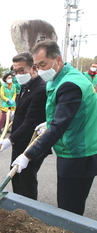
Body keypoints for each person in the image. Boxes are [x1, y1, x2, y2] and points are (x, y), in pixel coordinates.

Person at [12, 40, 97, 215]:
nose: (40, 69)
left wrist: (28, 155)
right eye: (37, 65)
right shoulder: (58, 78)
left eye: (43, 64)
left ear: (58, 59)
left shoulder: (70, 84)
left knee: (69, 208)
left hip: (79, 153)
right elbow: (61, 115)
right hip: (71, 148)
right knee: (67, 203)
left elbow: (59, 126)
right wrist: (47, 123)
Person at [0, 52, 47, 200]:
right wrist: (15, 115)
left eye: (22, 70)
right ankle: (18, 206)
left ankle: (28, 212)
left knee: (26, 181)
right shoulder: (26, 86)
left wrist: (10, 139)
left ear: (33, 68)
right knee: (16, 177)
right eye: (15, 71)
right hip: (20, 142)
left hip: (30, 143)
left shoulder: (40, 88)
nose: (18, 74)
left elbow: (31, 121)